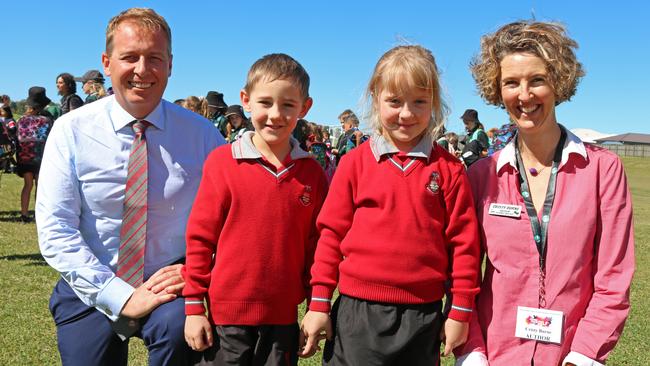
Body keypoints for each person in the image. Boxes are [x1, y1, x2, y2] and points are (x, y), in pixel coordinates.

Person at [36, 8, 224, 366]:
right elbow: (56, 229)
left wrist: (200, 267)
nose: (142, 70)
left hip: (171, 281)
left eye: (154, 58)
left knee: (181, 333)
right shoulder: (71, 130)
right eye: (129, 57)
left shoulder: (203, 136)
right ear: (107, 63)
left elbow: (231, 218)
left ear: (170, 65)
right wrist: (118, 295)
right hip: (94, 276)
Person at [456, 21, 635, 366]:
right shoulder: (481, 175)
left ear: (558, 81)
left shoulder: (603, 170)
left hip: (569, 356)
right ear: (497, 88)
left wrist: (582, 356)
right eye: (511, 82)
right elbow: (462, 274)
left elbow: (613, 278)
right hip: (494, 357)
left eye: (536, 80)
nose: (524, 95)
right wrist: (473, 353)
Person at [300, 45, 481, 365]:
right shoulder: (354, 164)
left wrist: (459, 311)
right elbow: (330, 238)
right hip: (358, 314)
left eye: (419, 102)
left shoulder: (449, 170)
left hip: (422, 317)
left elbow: (464, 247)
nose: (407, 113)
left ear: (434, 103)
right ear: (375, 97)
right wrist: (318, 305)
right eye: (395, 101)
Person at [183, 53, 327, 365]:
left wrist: (316, 303)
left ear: (305, 107)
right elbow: (199, 239)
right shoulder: (222, 164)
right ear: (246, 101)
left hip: (282, 319)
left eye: (288, 105)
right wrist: (194, 306)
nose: (276, 114)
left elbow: (318, 246)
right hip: (226, 320)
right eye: (265, 103)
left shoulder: (311, 173)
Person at [15, 87, 53, 223]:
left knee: (27, 185)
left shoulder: (21, 120)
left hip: (24, 157)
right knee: (39, 185)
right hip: (40, 157)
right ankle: (39, 213)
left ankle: (24, 214)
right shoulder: (47, 120)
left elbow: (16, 138)